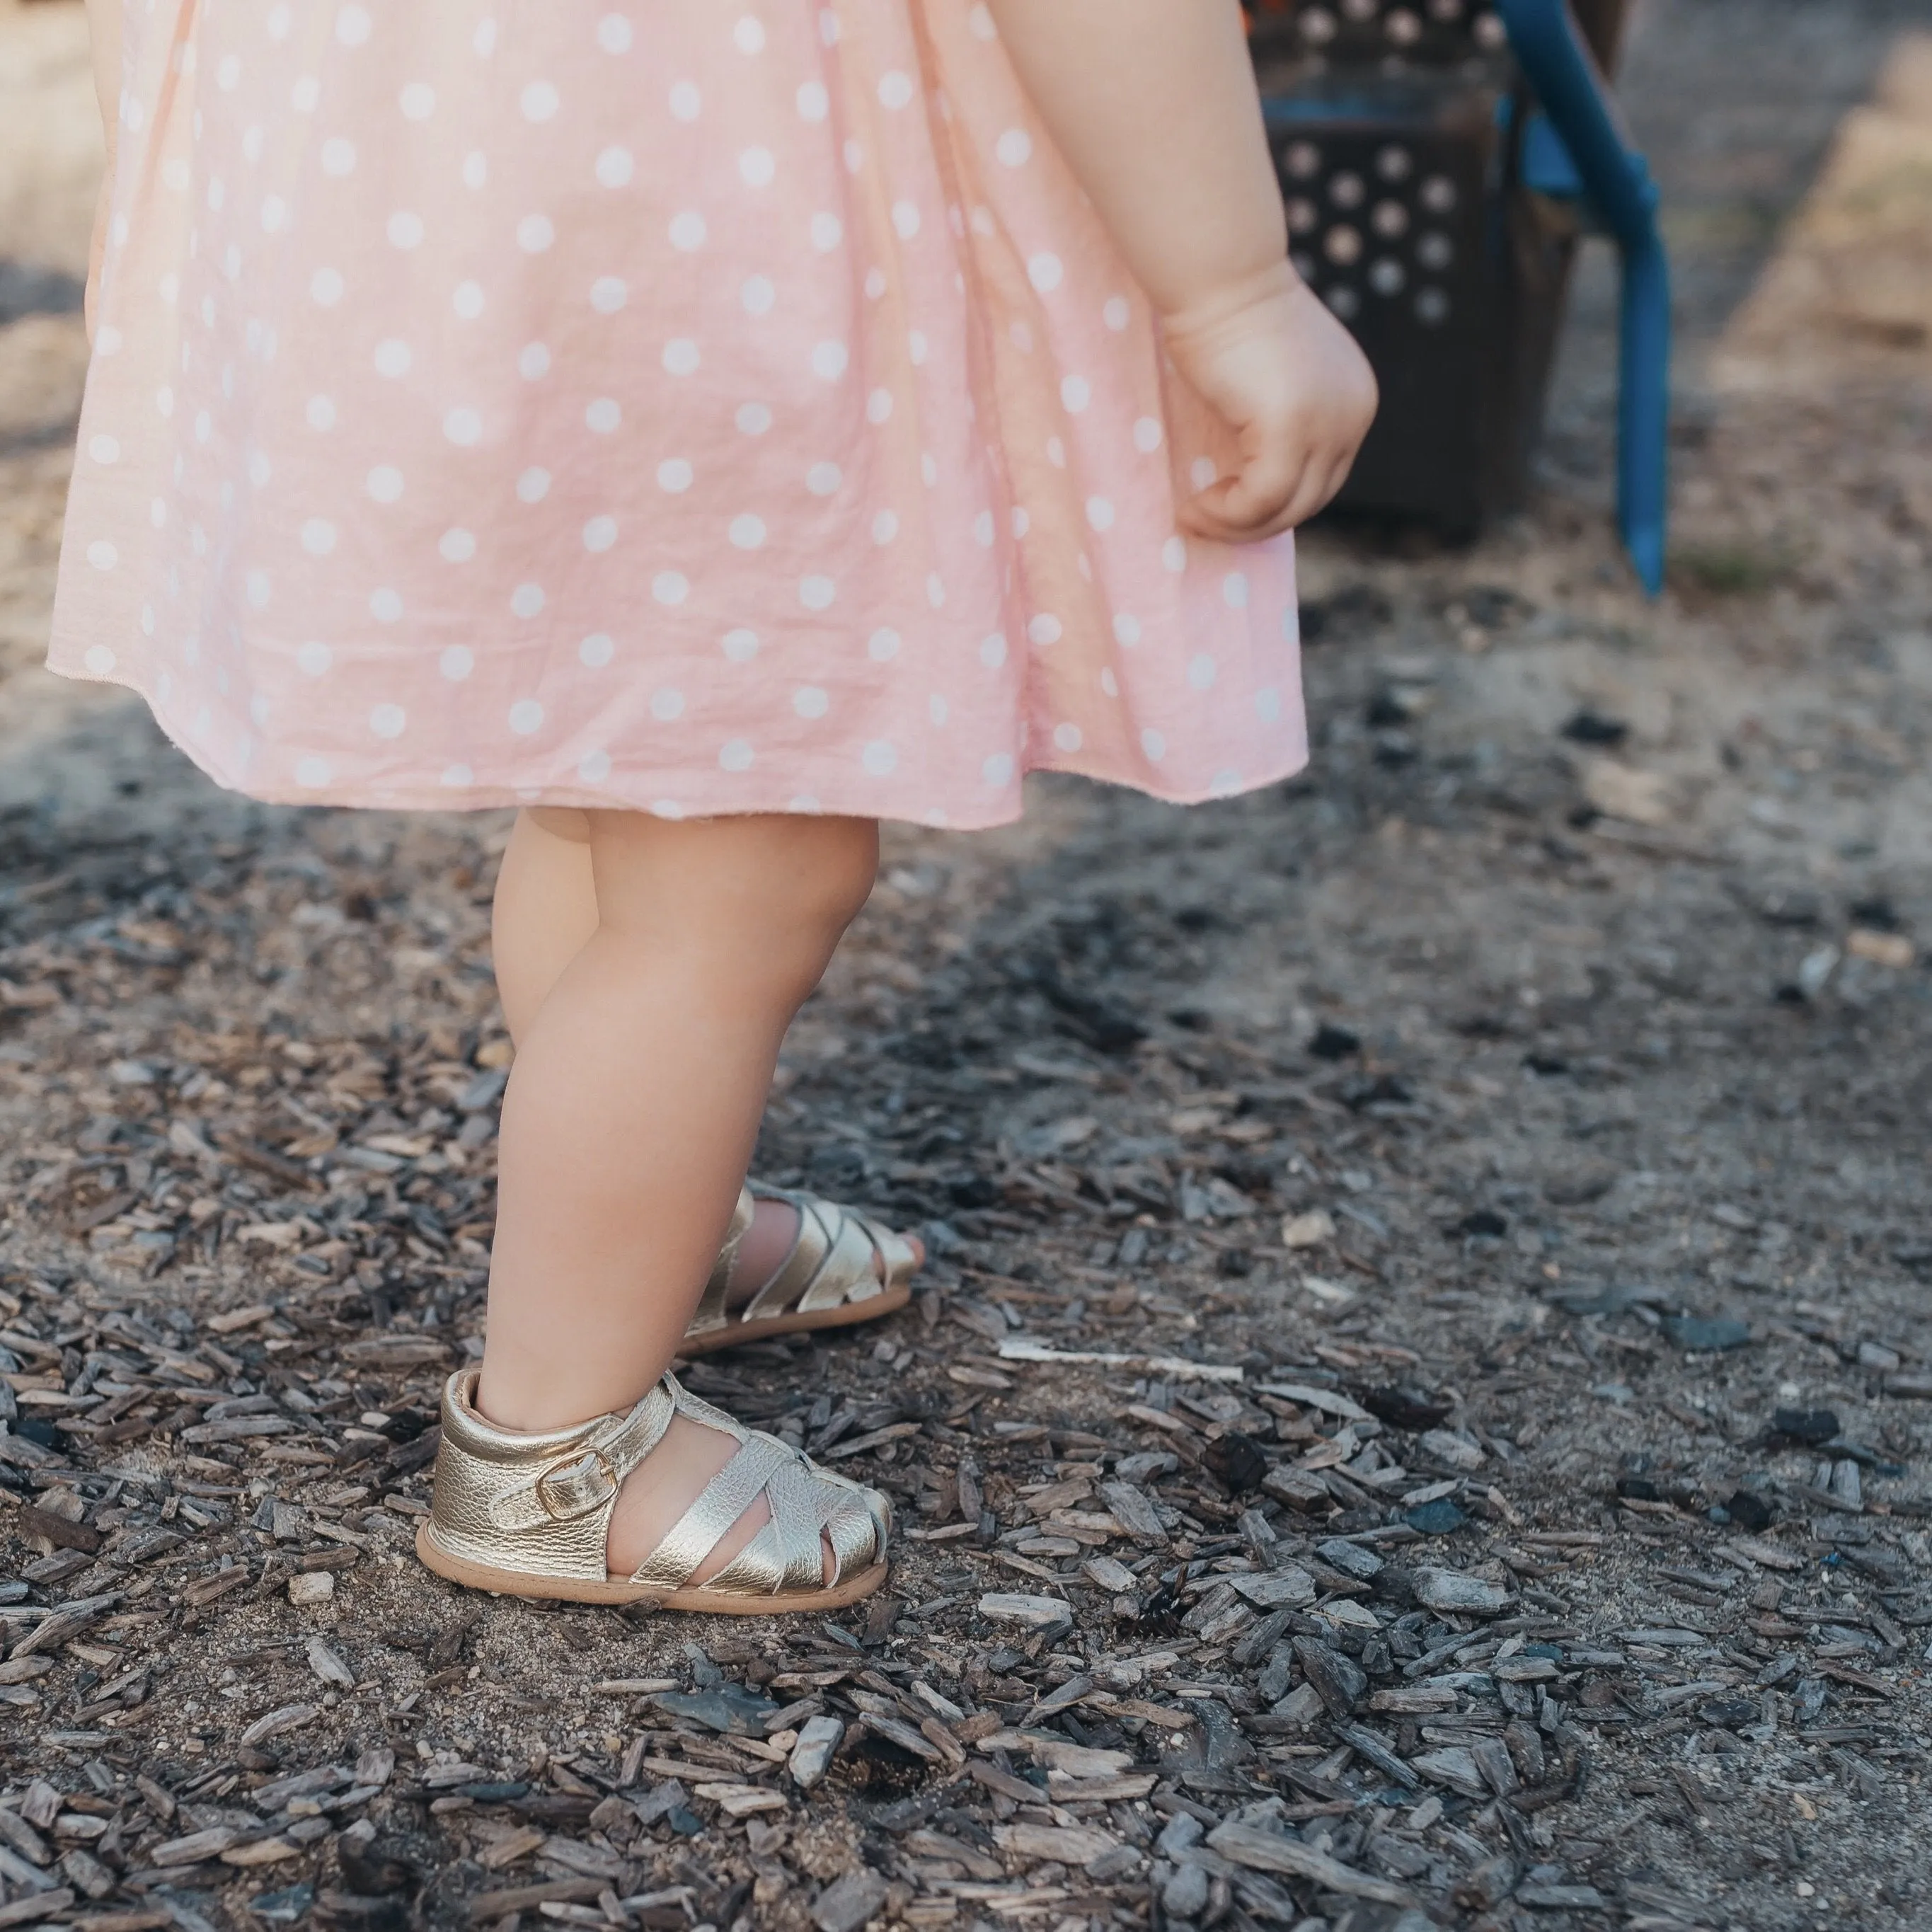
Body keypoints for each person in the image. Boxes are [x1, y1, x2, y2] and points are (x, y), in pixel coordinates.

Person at [56, 1, 1376, 1614]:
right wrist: (1235, 285)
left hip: (461, 173)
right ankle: (557, 1442)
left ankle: (641, 1237)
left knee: (622, 768)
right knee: (746, 853)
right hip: (699, 208)